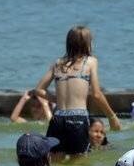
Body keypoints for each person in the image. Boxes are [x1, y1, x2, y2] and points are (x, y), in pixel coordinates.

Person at [32, 26, 120, 156]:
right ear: (87, 44)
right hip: (78, 119)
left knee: (55, 160)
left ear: (68, 43)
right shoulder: (90, 62)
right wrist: (112, 117)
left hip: (58, 119)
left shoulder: (58, 63)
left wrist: (57, 99)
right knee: (80, 162)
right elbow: (96, 94)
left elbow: (38, 90)